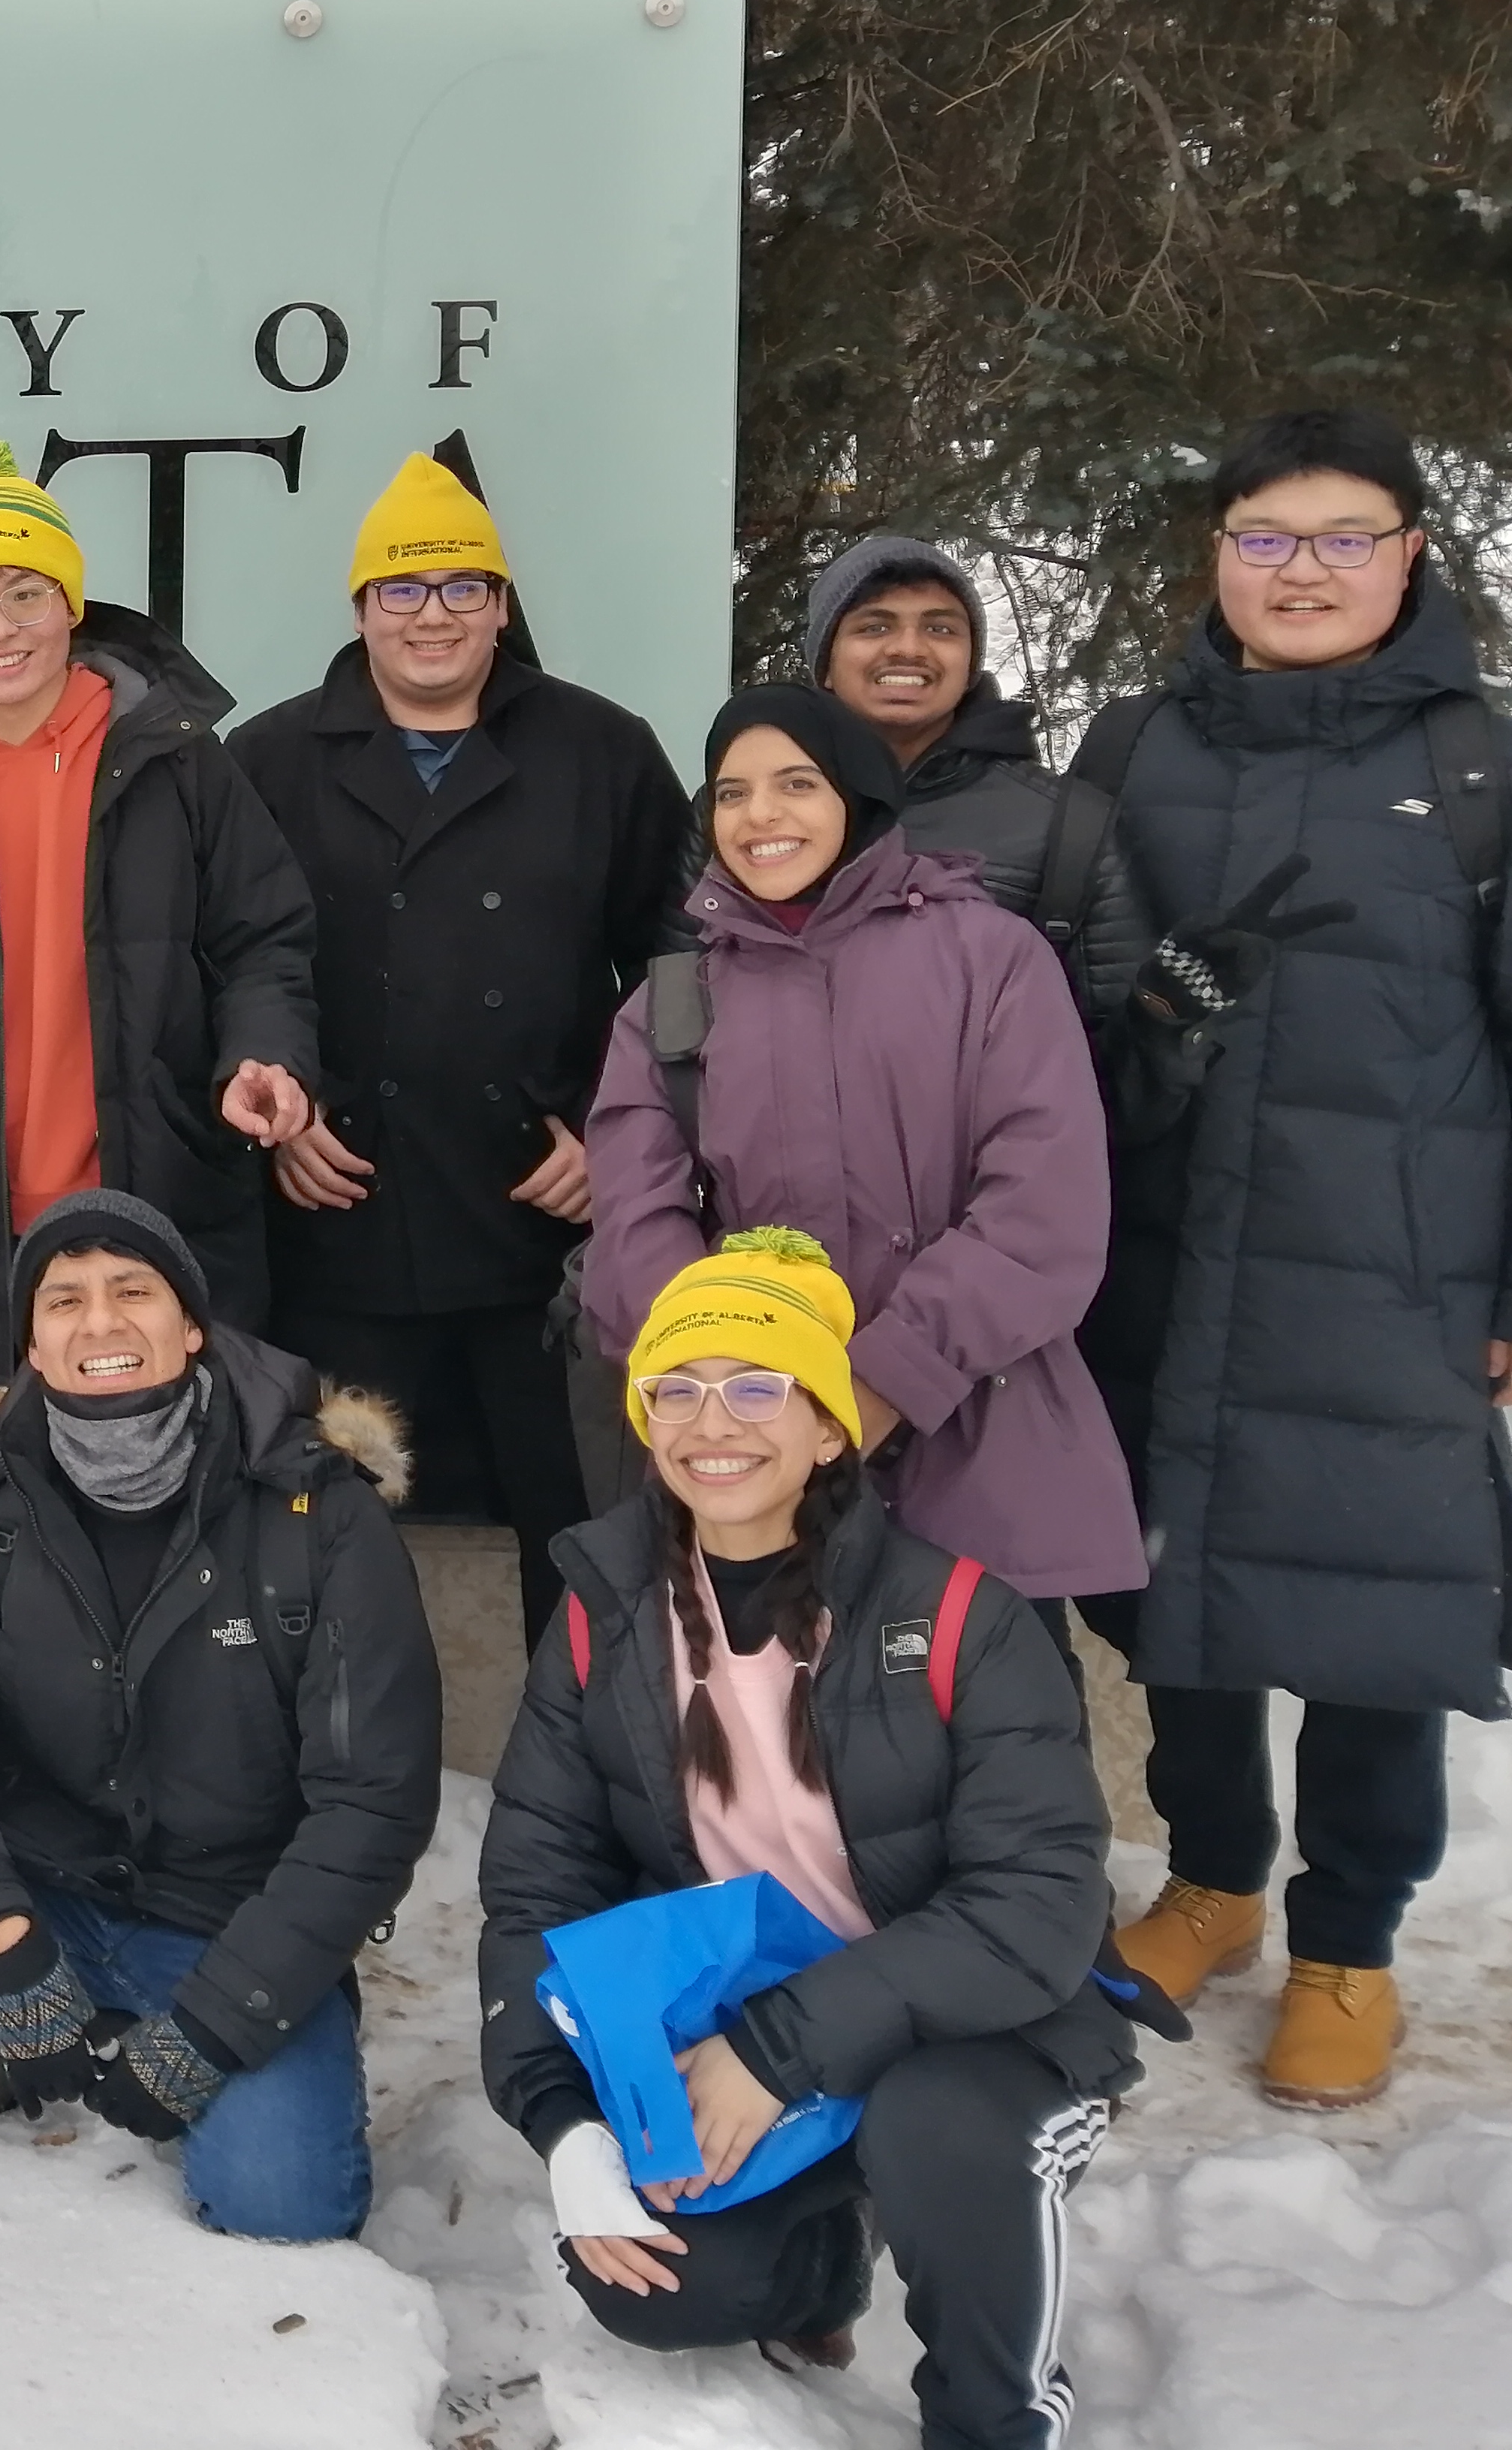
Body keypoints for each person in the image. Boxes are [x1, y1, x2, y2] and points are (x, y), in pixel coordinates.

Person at [481, 1234, 1143, 2450]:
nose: (708, 1419)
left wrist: (778, 2050)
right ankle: (826, 2244)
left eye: (755, 1383)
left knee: (934, 2125)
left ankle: (994, 2416)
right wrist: (561, 2120)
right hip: (744, 2013)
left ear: (830, 1425)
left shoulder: (956, 1613)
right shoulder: (602, 1614)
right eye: (674, 1387)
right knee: (658, 2279)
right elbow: (536, 1884)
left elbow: (1037, 1901)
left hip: (977, 2021)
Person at [1083, 408, 1512, 2109]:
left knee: (1363, 1609)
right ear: (1217, 556)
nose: (1302, 571)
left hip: (1387, 1267)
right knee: (1174, 1593)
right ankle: (1208, 1881)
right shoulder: (1128, 747)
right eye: (1266, 537)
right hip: (1168, 1253)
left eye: (1342, 537)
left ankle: (1348, 1939)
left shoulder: (1477, 764)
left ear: (1406, 551)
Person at [0, 1193, 438, 2240]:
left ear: (192, 1328)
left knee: (284, 2207)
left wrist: (218, 2028)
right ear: (34, 1345)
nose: (101, 1323)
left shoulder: (320, 1512)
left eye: (133, 1292)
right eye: (65, 1300)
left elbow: (373, 1803)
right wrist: (2, 1940)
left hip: (232, 1921)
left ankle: (240, 2038)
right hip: (39, 1892)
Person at [0, 435, 322, 1501]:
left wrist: (264, 1054)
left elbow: (263, 938)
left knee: (172, 1552)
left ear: (71, 604)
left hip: (156, 1208)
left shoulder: (175, 756)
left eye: (24, 593)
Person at [233, 454, 689, 1641]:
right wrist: (279, 1111)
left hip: (544, 1235)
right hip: (339, 1223)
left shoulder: (605, 750)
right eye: (402, 589)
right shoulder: (266, 762)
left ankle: (595, 1776)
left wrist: (618, 1130)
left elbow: (684, 966)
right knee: (321, 1537)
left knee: (585, 1541)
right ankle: (338, 1780)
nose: (431, 614)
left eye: (460, 587)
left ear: (499, 607)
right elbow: (219, 963)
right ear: (358, 612)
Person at [583, 691, 1143, 1611]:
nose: (760, 815)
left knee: (993, 1739)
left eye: (795, 783)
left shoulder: (990, 960)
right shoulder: (670, 1005)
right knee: (770, 1748)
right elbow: (636, 1232)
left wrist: (879, 1380)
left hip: (978, 1452)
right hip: (755, 1470)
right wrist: (736, 1387)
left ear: (859, 797)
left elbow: (1042, 1213)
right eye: (731, 793)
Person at [797, 534, 1152, 1022]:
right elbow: (679, 1021)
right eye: (874, 626)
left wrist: (1169, 1015)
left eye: (940, 629)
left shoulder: (1067, 830)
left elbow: (1113, 1059)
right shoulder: (741, 812)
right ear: (826, 665)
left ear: (969, 664)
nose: (908, 649)